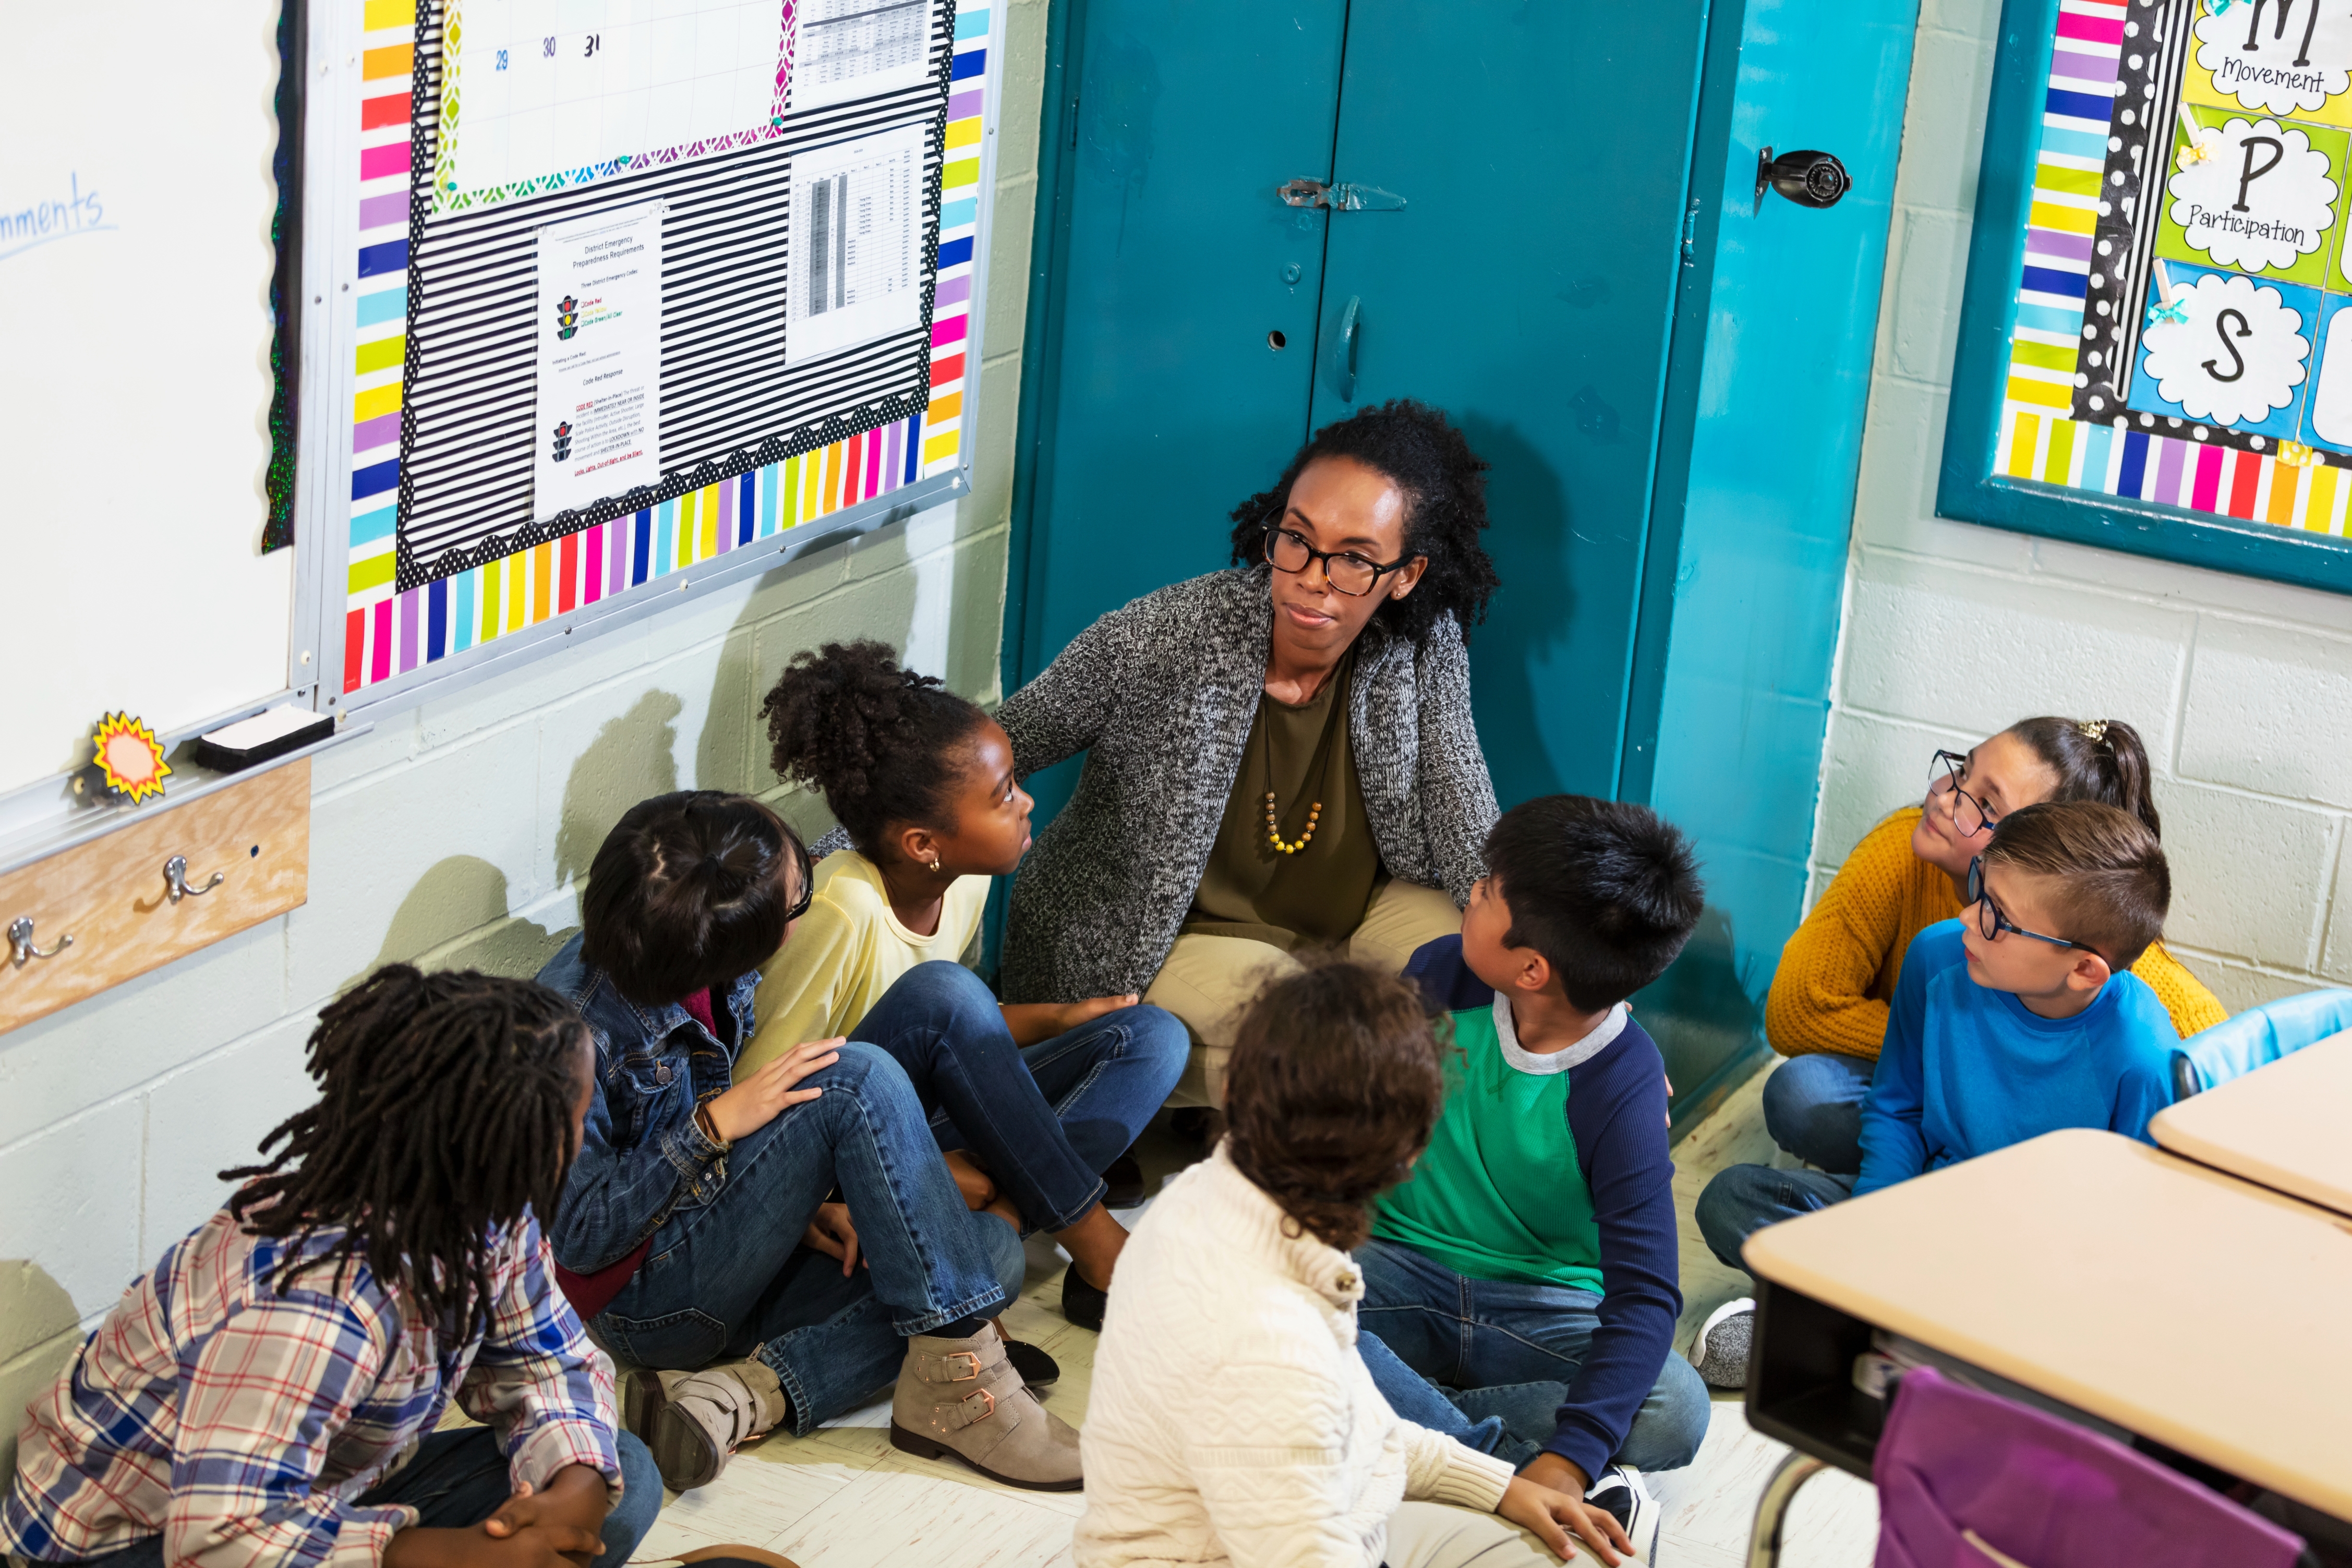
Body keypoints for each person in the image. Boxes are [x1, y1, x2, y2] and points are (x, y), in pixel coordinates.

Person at [1, 966, 660, 1568]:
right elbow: (220, 1541)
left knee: (621, 1483)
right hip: (135, 1543)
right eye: (576, 1120)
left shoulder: (494, 1214)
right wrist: (453, 1558)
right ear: (527, 1141)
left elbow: (546, 1362)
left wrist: (570, 1488)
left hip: (310, 1493)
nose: (580, 1142)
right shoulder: (318, 1303)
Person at [539, 791, 1082, 1496]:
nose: (807, 909)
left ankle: (736, 1394)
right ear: (740, 939)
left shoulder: (686, 939)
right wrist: (711, 1127)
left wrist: (790, 1211)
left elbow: (732, 1179)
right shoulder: (567, 1033)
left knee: (988, 1254)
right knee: (856, 1079)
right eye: (799, 904)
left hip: (718, 1248)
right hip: (647, 1303)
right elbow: (580, 1239)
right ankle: (960, 1388)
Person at [996, 399, 1503, 1107]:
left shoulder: (1423, 646)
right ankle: (1099, 1096)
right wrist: (839, 867)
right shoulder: (1167, 634)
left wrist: (1582, 1005)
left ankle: (1411, 1177)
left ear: (1406, 575)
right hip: (1158, 933)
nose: (1312, 576)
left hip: (1343, 924)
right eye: (1296, 538)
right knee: (1318, 1042)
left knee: (1489, 965)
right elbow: (986, 752)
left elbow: (1463, 803)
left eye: (1355, 558)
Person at [1075, 959, 1638, 1568]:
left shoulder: (1202, 1200)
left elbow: (1361, 1426)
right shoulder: (1273, 1342)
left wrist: (1501, 1486)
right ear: (1410, 1159)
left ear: (1234, 1089)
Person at [1691, 800, 2179, 1386]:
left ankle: (1851, 1329)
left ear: (2084, 972)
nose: (1971, 919)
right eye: (1980, 890)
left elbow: (2121, 1237)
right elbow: (1898, 1108)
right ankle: (1891, 1333)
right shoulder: (1939, 956)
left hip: (2033, 1263)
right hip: (1925, 1211)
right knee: (1730, 1200)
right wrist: (1875, 1226)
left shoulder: (2144, 1058)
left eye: (1998, 917)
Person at [1357, 797, 1711, 1560]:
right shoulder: (1437, 973)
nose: (1472, 892)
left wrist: (1574, 1449)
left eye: (1486, 889)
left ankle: (1397, 1421)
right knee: (1272, 1301)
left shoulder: (1622, 1084)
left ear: (1532, 967)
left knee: (1676, 1407)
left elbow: (1646, 1297)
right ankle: (1498, 1460)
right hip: (1396, 1270)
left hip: (1538, 1310)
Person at [750, 639, 1188, 1238]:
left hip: (930, 1113)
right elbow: (766, 1095)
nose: (1026, 802)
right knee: (951, 1000)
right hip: (841, 1145)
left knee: (1154, 1039)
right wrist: (891, 1168)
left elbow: (958, 1036)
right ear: (923, 844)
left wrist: (1060, 1020)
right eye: (1004, 795)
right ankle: (1066, 1232)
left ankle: (1008, 1219)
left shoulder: (963, 882)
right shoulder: (842, 907)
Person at [1760, 717, 2223, 1175]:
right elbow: (1796, 1010)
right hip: (1929, 1107)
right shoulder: (1906, 857)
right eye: (1963, 771)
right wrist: (1953, 1048)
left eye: (1986, 805)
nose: (1944, 799)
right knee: (1802, 1095)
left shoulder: (2116, 973)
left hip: (2045, 1187)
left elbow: (2222, 1073)